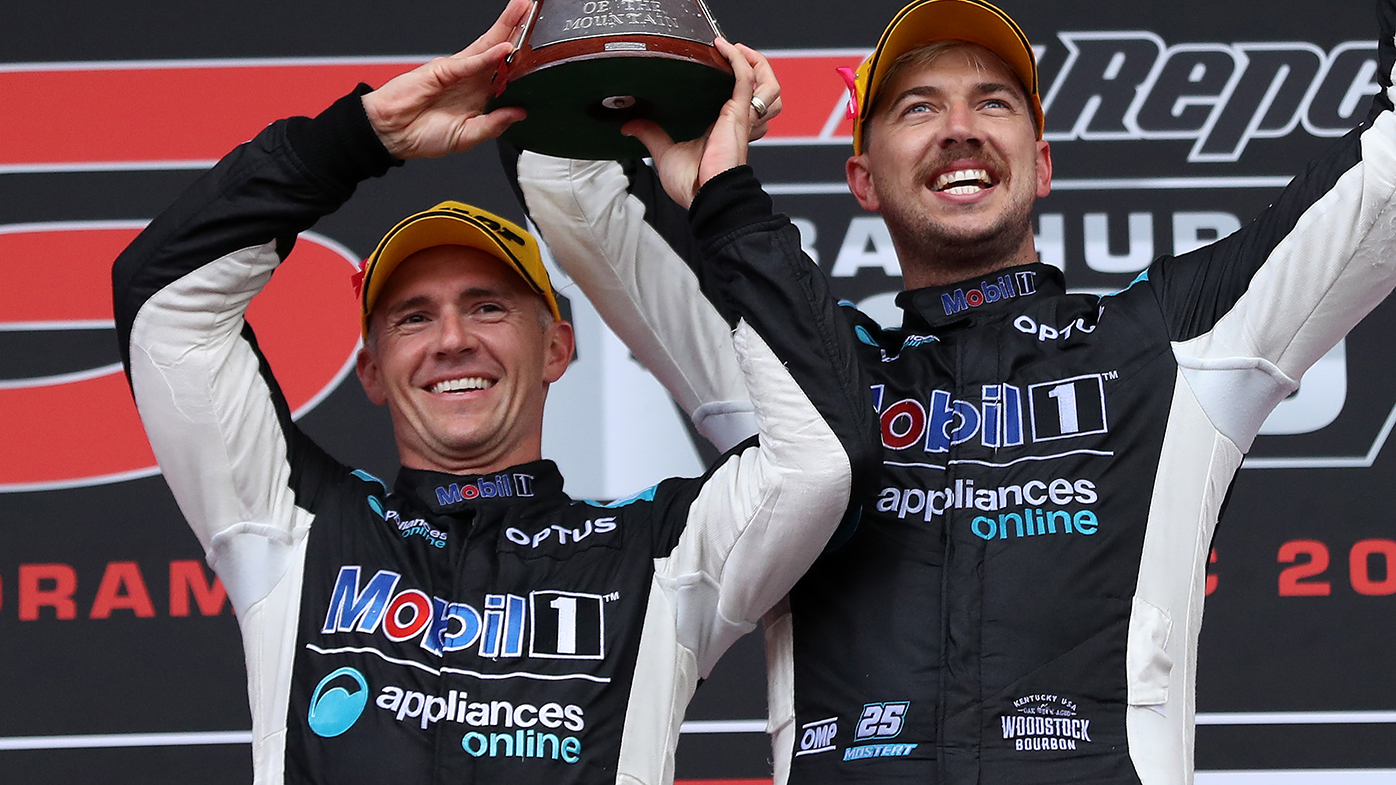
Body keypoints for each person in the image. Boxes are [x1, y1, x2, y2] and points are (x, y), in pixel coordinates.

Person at [510, 0, 1396, 781]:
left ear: (1041, 165)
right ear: (863, 179)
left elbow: (1381, 191)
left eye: (994, 103)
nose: (960, 129)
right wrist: (672, 110)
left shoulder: (1161, 342)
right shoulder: (804, 373)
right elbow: (578, 189)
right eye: (917, 107)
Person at [110, 1, 879, 782]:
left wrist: (725, 201)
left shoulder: (658, 555)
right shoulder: (293, 527)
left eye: (487, 305)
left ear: (557, 348)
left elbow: (822, 459)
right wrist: (359, 137)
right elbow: (164, 299)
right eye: (413, 317)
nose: (452, 339)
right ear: (371, 369)